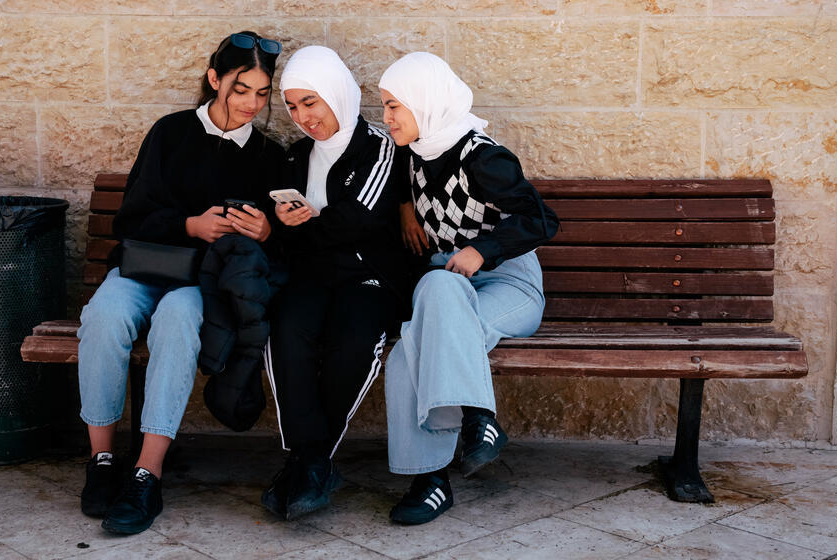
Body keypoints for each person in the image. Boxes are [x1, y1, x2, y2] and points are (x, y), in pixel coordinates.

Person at [76, 31, 283, 535]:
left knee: (178, 323)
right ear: (214, 79)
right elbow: (131, 219)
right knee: (103, 318)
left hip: (202, 283)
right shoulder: (170, 132)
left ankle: (148, 473)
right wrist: (191, 225)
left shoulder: (269, 155)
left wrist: (266, 229)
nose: (252, 104)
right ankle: (101, 461)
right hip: (146, 266)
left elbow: (275, 248)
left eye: (261, 93)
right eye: (240, 89)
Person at [378, 52, 560, 525]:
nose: (387, 117)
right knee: (431, 300)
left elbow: (542, 219)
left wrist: (485, 250)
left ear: (426, 103)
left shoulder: (484, 158)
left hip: (507, 284)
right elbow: (403, 185)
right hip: (448, 286)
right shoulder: (414, 150)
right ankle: (452, 455)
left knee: (412, 347)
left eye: (395, 106)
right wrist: (403, 207)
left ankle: (447, 455)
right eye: (385, 106)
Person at [262, 45, 406, 520]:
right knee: (286, 329)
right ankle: (310, 459)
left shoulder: (380, 147)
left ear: (338, 95)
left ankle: (310, 460)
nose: (303, 116)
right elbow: (290, 239)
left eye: (311, 102)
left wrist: (302, 227)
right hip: (313, 278)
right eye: (292, 106)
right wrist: (283, 224)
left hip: (367, 278)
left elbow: (359, 219)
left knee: (352, 341)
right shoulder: (297, 156)